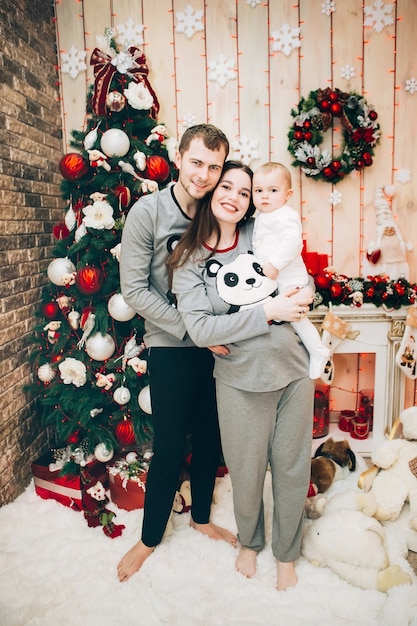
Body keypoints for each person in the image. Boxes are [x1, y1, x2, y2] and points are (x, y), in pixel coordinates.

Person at [168, 160, 315, 590]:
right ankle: (249, 542)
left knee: (290, 467)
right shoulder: (189, 259)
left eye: (245, 192)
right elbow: (199, 328)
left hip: (293, 370)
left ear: (253, 202)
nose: (234, 196)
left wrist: (305, 293)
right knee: (246, 470)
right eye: (226, 187)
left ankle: (286, 553)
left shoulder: (262, 233)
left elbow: (298, 276)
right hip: (239, 379)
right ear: (211, 194)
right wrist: (267, 312)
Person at [117, 124, 237, 583]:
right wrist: (194, 330)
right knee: (169, 444)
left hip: (220, 342)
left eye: (214, 166)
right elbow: (134, 290)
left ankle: (201, 518)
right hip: (171, 343)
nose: (205, 175)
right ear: (178, 156)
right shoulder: (148, 212)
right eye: (197, 162)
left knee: (210, 436)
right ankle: (149, 539)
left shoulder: (220, 211)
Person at [252, 161, 329, 380]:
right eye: (259, 191)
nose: (264, 196)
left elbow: (293, 242)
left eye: (273, 190)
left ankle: (318, 351)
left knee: (297, 318)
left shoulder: (285, 214)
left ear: (288, 194)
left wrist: (275, 264)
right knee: (284, 315)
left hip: (289, 277)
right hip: (273, 280)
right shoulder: (261, 217)